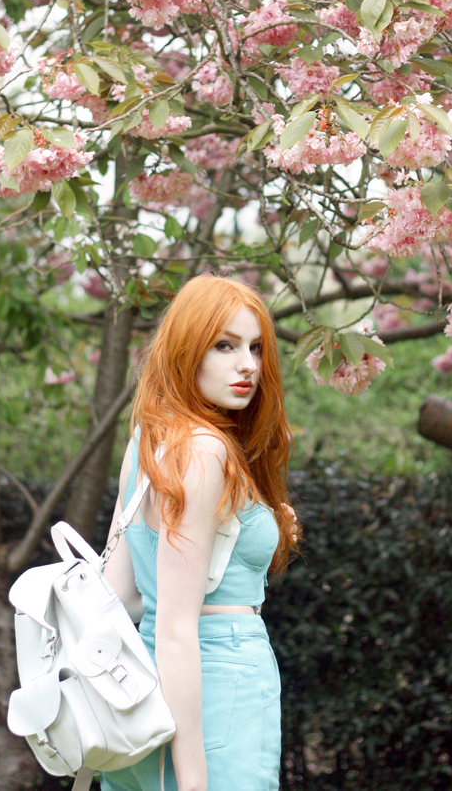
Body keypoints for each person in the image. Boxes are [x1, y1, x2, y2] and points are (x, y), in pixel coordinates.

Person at [102, 275, 299, 791]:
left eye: (256, 348)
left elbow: (122, 595)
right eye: (225, 346)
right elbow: (175, 627)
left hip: (139, 698)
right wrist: (193, 781)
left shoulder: (147, 442)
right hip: (215, 687)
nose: (248, 365)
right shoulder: (205, 451)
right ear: (187, 349)